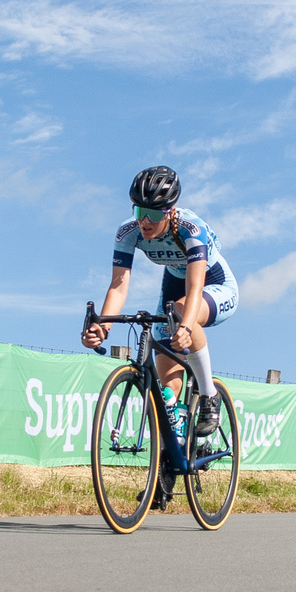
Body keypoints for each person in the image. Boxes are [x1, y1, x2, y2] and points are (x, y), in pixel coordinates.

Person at [81, 164, 237, 434]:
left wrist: (187, 327)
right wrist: (102, 327)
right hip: (174, 285)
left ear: (171, 211)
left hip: (214, 283)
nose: (145, 221)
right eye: (140, 212)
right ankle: (173, 443)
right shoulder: (127, 232)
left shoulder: (191, 229)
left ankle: (209, 395)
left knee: (180, 313)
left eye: (153, 214)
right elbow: (118, 285)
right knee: (168, 387)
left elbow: (195, 284)